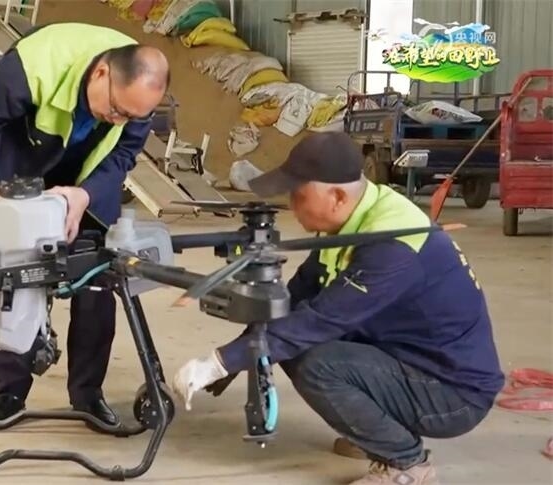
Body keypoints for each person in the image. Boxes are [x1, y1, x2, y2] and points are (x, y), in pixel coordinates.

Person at [171, 132, 504, 485]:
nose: (292, 206)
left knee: (315, 362)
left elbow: (319, 321)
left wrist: (219, 362)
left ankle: (406, 463)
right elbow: (297, 298)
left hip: (451, 392)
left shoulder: (391, 246)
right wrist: (237, 358)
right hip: (406, 356)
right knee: (289, 341)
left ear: (338, 196)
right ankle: (376, 430)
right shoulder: (355, 218)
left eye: (299, 196)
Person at [0, 22, 170, 430]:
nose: (120, 119)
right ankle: (7, 392)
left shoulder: (137, 99)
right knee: (11, 276)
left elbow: (122, 154)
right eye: (117, 109)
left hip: (85, 179)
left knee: (98, 274)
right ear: (101, 73)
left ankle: (88, 395)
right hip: (23, 162)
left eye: (130, 116)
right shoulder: (36, 63)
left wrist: (84, 195)